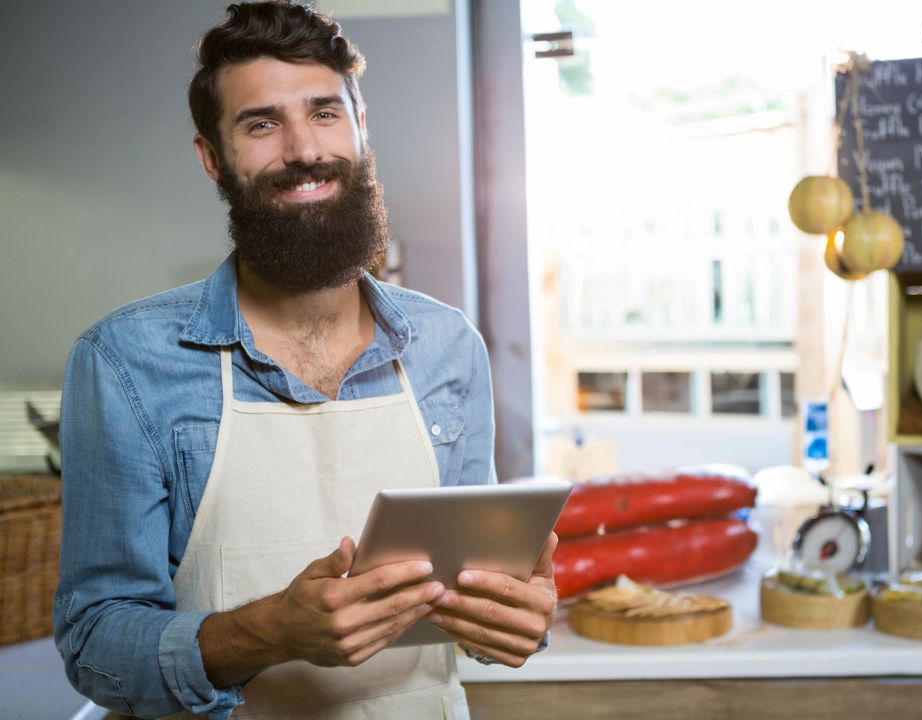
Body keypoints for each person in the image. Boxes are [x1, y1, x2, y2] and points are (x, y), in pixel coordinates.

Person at [53, 3, 557, 717]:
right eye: (261, 123)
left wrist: (514, 617)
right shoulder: (126, 362)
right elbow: (94, 644)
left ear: (359, 128)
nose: (304, 149)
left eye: (325, 113)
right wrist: (271, 632)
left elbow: (476, 601)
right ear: (211, 157)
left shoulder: (448, 347)